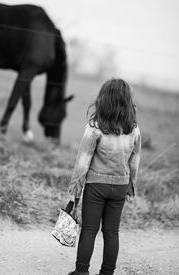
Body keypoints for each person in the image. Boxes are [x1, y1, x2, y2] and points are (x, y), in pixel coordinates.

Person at [67, 78, 141, 275]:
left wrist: (75, 189)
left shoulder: (95, 126)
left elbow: (83, 160)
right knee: (111, 232)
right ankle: (107, 272)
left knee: (89, 230)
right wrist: (131, 185)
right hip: (120, 186)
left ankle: (81, 272)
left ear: (104, 99)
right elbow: (134, 160)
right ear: (127, 101)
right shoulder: (133, 128)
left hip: (96, 185)